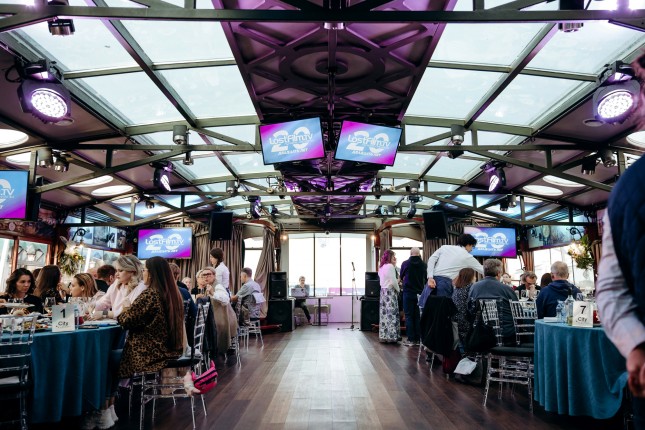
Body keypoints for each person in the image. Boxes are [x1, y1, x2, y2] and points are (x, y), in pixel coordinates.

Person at [422, 233, 484, 304]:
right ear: (468, 245)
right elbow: (483, 270)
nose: (471, 249)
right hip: (445, 284)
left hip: (432, 281)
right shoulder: (467, 256)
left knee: (427, 308)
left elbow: (431, 259)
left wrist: (430, 277)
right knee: (443, 309)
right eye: (472, 246)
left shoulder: (444, 247)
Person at [468, 258, 517, 345]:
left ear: (484, 273)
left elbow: (470, 309)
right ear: (499, 273)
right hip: (505, 332)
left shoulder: (474, 288)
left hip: (480, 332)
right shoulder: (507, 289)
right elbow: (517, 311)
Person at [93, 255, 147, 320]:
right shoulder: (116, 283)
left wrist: (104, 313)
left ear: (132, 271)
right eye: (116, 271)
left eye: (120, 271)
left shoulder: (141, 287)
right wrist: (90, 305)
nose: (116, 274)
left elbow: (127, 313)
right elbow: (103, 302)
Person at [400, 247, 426, 346]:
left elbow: (401, 276)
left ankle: (411, 339)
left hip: (408, 292)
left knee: (409, 316)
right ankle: (418, 339)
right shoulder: (424, 264)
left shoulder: (405, 263)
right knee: (418, 316)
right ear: (419, 254)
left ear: (410, 253)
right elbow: (426, 278)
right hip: (420, 293)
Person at [378, 250, 400, 343]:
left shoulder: (381, 267)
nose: (394, 258)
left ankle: (384, 336)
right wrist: (398, 289)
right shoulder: (390, 266)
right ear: (390, 257)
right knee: (391, 313)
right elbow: (393, 281)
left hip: (383, 292)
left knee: (384, 315)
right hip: (390, 292)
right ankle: (392, 336)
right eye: (393, 256)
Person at [451, 268, 477, 346]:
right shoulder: (470, 287)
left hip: (455, 321)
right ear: (470, 277)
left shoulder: (457, 288)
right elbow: (473, 307)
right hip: (466, 321)